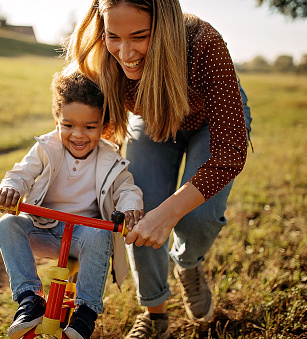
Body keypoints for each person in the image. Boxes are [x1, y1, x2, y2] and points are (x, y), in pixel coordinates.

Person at [64, 1, 252, 338]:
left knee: (197, 218)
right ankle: (156, 313)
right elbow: (86, 134)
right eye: (113, 37)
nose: (125, 52)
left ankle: (188, 263)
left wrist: (168, 215)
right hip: (152, 120)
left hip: (209, 121)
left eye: (139, 36)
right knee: (138, 208)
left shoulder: (204, 44)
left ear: (164, 27)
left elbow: (229, 153)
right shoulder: (102, 60)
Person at [0, 71, 144, 339]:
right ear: (57, 121)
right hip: (44, 229)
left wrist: (131, 206)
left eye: (89, 127)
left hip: (84, 237)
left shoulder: (109, 157)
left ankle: (86, 312)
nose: (78, 135)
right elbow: (22, 173)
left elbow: (126, 188)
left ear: (103, 126)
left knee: (100, 233)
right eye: (68, 125)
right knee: (7, 224)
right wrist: (11, 188)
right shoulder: (47, 146)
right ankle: (29, 299)